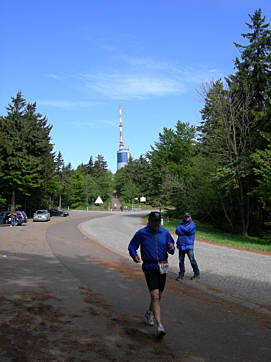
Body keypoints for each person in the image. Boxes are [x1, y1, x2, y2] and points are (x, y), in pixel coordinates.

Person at [128, 211, 175, 337]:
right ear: (149, 221)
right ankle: (160, 326)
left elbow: (172, 250)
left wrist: (171, 247)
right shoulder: (142, 233)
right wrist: (135, 256)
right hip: (149, 266)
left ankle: (149, 312)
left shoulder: (164, 233)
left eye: (158, 222)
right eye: (154, 222)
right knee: (154, 295)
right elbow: (132, 246)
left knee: (158, 296)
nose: (157, 224)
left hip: (163, 266)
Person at [175, 212, 200, 281]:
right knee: (181, 261)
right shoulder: (181, 223)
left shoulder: (192, 224)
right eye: (185, 217)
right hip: (181, 245)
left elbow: (189, 231)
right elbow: (177, 231)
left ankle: (197, 273)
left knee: (192, 260)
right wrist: (183, 231)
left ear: (190, 217)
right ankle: (181, 274)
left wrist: (181, 229)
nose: (186, 218)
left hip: (189, 245)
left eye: (188, 217)